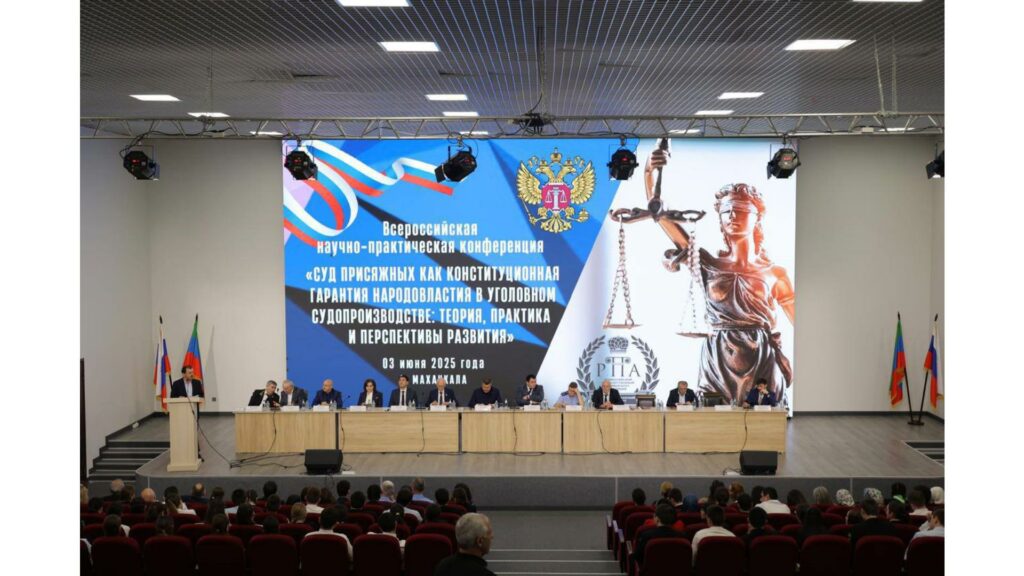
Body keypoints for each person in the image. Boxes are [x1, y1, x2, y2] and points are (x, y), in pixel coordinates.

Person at [644, 150, 795, 404]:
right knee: (712, 417)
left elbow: (802, 323)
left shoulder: (774, 273)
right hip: (717, 358)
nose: (732, 216)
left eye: (741, 210)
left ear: (757, 218)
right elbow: (660, 214)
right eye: (726, 211)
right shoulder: (707, 264)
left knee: (764, 416)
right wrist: (650, 171)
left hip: (762, 358)